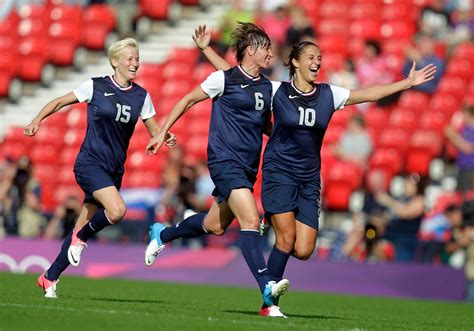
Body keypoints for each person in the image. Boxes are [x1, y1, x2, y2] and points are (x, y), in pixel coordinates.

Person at [148, 24, 437, 316]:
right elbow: (235, 81)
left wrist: (406, 83)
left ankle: (165, 233)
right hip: (276, 172)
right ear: (296, 62)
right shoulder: (278, 91)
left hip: (308, 178)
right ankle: (268, 297)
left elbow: (368, 94)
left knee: (288, 245)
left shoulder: (327, 94)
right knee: (276, 235)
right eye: (311, 56)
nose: (317, 62)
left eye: (320, 57)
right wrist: (206, 51)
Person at [144, 23, 289, 318]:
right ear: (251, 50)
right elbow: (187, 99)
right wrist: (161, 131)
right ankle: (266, 290)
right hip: (225, 162)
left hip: (248, 168)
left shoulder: (269, 88)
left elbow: (261, 116)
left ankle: (163, 234)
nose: (272, 53)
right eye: (266, 47)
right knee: (250, 219)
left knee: (215, 226)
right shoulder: (221, 80)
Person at [24, 37, 176, 298]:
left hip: (114, 170)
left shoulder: (141, 95)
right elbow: (60, 101)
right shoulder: (95, 86)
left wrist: (163, 137)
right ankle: (81, 238)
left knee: (80, 226)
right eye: (129, 58)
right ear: (114, 61)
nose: (135, 63)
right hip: (89, 164)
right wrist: (37, 119)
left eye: (137, 58)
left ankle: (49, 277)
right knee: (116, 211)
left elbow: (154, 131)